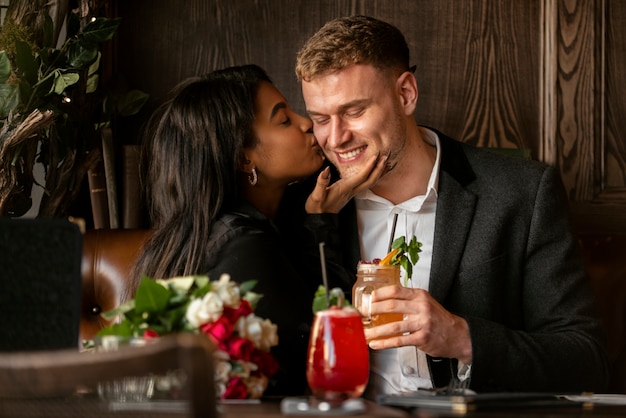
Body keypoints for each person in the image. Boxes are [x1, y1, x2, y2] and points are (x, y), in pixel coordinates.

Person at [294, 15, 610, 396]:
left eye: (355, 111)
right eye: (320, 119)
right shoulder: (305, 206)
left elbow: (586, 360)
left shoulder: (521, 192)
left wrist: (463, 338)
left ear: (406, 94)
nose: (336, 137)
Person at [130, 64, 386, 396]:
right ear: (244, 159)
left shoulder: (217, 231)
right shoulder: (245, 246)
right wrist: (321, 223)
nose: (307, 123)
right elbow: (332, 358)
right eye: (283, 120)